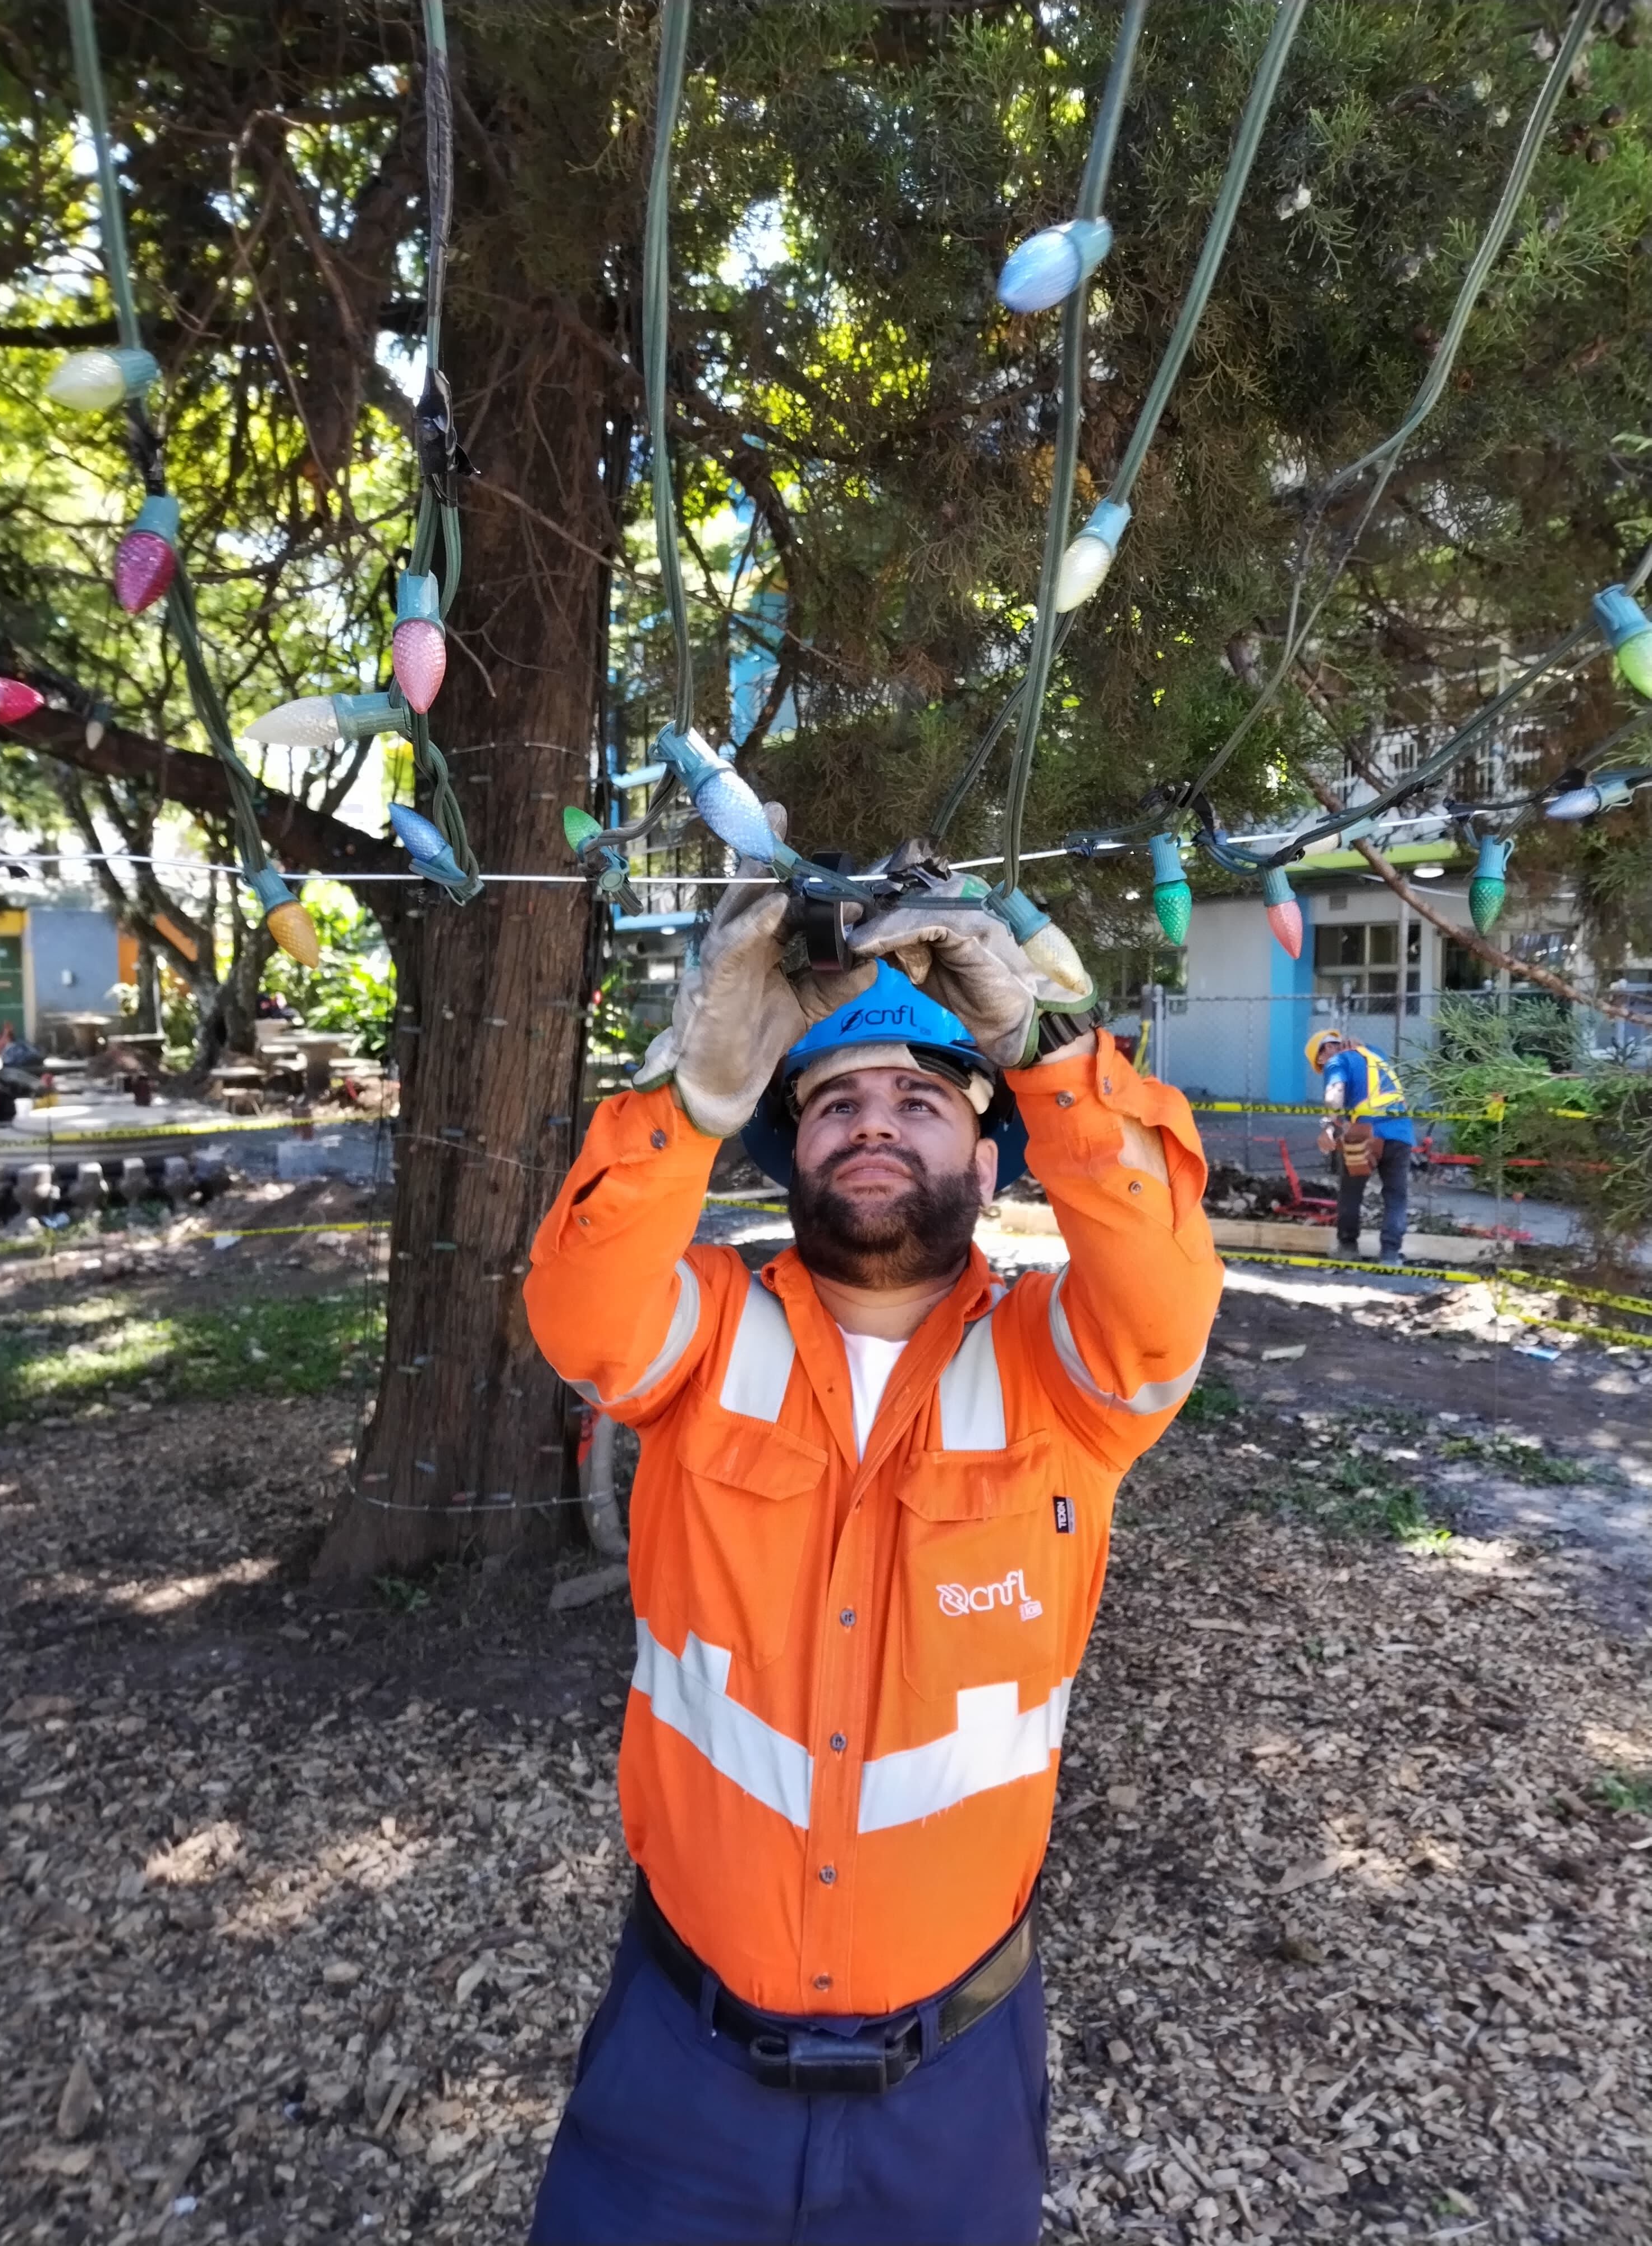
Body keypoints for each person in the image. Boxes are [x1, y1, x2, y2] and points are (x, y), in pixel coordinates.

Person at [523, 824, 1222, 2246]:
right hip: (679, 2059)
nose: (876, 1123)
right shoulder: (706, 1328)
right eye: (837, 1101)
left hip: (948, 2075)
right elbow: (580, 1313)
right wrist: (692, 1091)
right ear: (792, 1145)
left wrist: (1048, 1044)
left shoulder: (1063, 1369)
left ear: (989, 1144)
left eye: (923, 1096)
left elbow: (1161, 1290)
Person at [1305, 1025, 1417, 1264]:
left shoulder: (1336, 1062)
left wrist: (1329, 1125)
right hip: (1400, 1131)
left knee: (1351, 1192)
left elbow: (1335, 1092)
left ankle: (1348, 1248)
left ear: (1323, 1054)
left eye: (1320, 1064)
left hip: (1365, 1134)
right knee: (1396, 1196)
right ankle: (1390, 1256)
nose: (1323, 1067)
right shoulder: (1374, 1052)